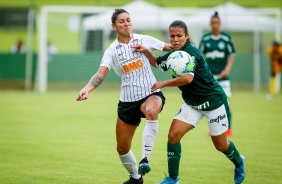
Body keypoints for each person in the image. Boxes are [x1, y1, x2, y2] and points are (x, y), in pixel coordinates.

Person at [132, 20, 245, 184]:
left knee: (220, 145)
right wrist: (146, 51)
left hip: (213, 102)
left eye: (179, 36)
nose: (175, 39)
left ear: (186, 36)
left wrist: (163, 83)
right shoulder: (173, 53)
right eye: (172, 36)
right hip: (192, 104)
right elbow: (157, 62)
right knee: (173, 136)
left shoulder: (190, 52)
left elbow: (188, 78)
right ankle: (173, 178)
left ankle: (239, 162)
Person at [76, 9, 172, 184]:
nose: (126, 24)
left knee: (152, 111)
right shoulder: (111, 51)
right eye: (121, 21)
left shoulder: (144, 39)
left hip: (150, 92)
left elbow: (170, 47)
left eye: (128, 20)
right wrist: (87, 89)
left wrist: (185, 46)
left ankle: (145, 160)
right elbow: (100, 74)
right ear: (114, 26)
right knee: (122, 148)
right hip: (127, 101)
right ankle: (136, 178)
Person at [199, 11, 236, 136]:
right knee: (212, 104)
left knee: (226, 102)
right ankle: (214, 130)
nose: (215, 25)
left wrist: (227, 69)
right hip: (210, 78)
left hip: (223, 77)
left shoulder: (226, 38)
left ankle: (229, 128)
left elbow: (232, 54)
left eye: (217, 23)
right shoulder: (205, 39)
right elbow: (200, 56)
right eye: (213, 23)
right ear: (210, 24)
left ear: (220, 24)